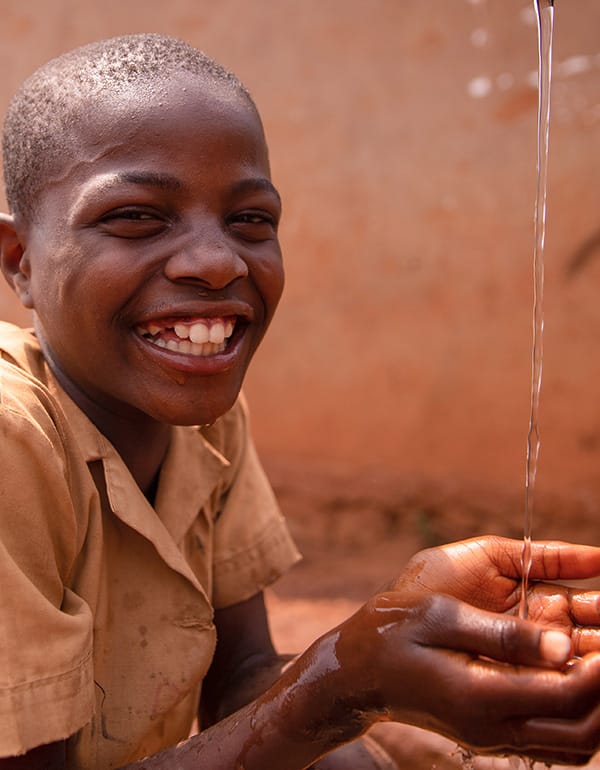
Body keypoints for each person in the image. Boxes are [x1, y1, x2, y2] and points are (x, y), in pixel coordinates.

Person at [0, 33, 599, 770]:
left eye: (250, 220)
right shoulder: (12, 440)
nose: (217, 261)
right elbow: (296, 711)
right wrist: (345, 684)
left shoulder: (204, 420)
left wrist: (422, 722)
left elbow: (246, 680)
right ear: (20, 262)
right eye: (136, 216)